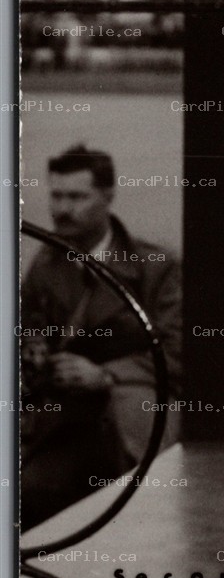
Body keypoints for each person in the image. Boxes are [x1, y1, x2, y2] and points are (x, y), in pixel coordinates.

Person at [21, 145, 182, 530]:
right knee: (29, 494)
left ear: (108, 197)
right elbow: (27, 331)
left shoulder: (156, 265)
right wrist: (33, 353)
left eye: (77, 197)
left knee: (142, 509)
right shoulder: (46, 264)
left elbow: (179, 352)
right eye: (56, 196)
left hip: (133, 412)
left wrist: (105, 374)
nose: (62, 209)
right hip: (67, 417)